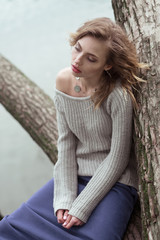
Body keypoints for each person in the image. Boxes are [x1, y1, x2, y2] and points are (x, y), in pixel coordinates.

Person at [0, 17, 144, 240]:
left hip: (116, 182)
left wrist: (81, 207)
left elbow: (118, 159)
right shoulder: (64, 81)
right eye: (77, 49)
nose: (77, 60)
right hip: (75, 174)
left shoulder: (118, 95)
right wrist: (65, 199)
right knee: (11, 229)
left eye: (91, 59)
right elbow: (66, 144)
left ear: (107, 65)